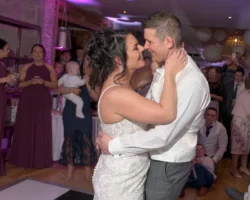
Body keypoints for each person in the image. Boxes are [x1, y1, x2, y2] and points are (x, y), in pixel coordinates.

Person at [97, 11, 210, 200]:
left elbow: (163, 135)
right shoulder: (163, 67)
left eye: (149, 41)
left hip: (167, 161)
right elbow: (147, 109)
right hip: (150, 157)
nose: (145, 47)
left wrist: (114, 145)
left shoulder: (191, 82)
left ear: (167, 42)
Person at [87, 28, 187, 200]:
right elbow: (167, 114)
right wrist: (170, 73)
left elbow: (150, 72)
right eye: (135, 47)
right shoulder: (117, 94)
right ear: (119, 60)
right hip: (120, 184)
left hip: (126, 175)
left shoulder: (122, 82)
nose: (142, 48)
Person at [10, 44, 57, 169]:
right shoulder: (26, 67)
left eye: (40, 52)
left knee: (41, 127)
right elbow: (19, 85)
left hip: (42, 100)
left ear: (44, 54)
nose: (37, 54)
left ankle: (40, 159)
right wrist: (30, 82)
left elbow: (54, 85)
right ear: (31, 53)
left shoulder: (49, 68)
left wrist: (44, 82)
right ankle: (22, 158)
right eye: (35, 51)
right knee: (25, 126)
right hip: (27, 99)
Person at [58, 54, 99, 180]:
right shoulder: (72, 72)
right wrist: (71, 90)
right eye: (85, 60)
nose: (87, 63)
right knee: (69, 137)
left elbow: (96, 97)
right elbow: (59, 89)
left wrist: (87, 83)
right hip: (70, 110)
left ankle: (87, 168)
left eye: (89, 61)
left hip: (85, 111)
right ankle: (70, 168)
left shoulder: (95, 77)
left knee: (86, 138)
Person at [231, 76, 250, 178]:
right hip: (240, 123)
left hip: (243, 123)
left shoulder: (246, 94)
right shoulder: (245, 95)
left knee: (246, 146)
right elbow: (249, 113)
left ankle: (243, 166)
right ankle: (234, 169)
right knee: (237, 148)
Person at [0, 38, 13, 182]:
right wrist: (4, 80)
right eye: (7, 48)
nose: (8, 51)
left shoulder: (0, 64)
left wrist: (7, 82)